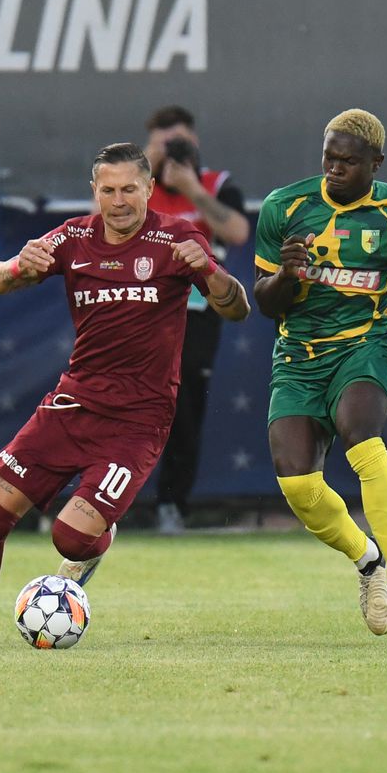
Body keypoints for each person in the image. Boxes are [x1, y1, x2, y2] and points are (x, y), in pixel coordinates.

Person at [0, 142, 249, 644]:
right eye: (108, 190)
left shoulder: (178, 237)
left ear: (149, 188)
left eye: (129, 189)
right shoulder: (73, 236)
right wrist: (18, 267)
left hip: (138, 420)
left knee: (70, 538)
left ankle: (99, 534)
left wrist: (208, 270)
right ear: (94, 190)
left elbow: (236, 307)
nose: (119, 201)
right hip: (72, 404)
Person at [252, 109, 387, 635]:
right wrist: (287, 274)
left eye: (347, 161)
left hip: (364, 346)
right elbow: (266, 304)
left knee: (361, 438)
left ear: (376, 164)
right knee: (298, 486)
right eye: (329, 158)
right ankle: (369, 561)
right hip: (298, 355)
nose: (334, 169)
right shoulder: (284, 206)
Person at [142, 105, 251, 534]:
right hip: (141, 308)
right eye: (163, 143)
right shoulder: (136, 186)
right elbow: (103, 222)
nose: (172, 151)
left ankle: (172, 503)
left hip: (195, 314)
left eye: (179, 143)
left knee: (184, 406)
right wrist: (145, 167)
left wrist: (191, 189)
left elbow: (238, 231)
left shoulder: (214, 184)